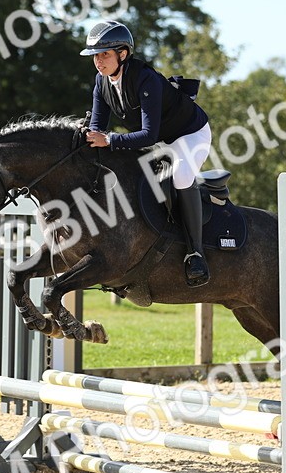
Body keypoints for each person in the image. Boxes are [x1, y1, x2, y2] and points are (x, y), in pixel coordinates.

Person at [82, 20, 213, 286]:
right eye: (96, 55)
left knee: (181, 177)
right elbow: (97, 127)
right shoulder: (101, 82)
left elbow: (148, 135)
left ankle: (195, 253)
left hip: (189, 134)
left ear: (123, 54)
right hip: (159, 142)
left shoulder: (145, 78)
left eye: (104, 54)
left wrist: (109, 140)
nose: (99, 61)